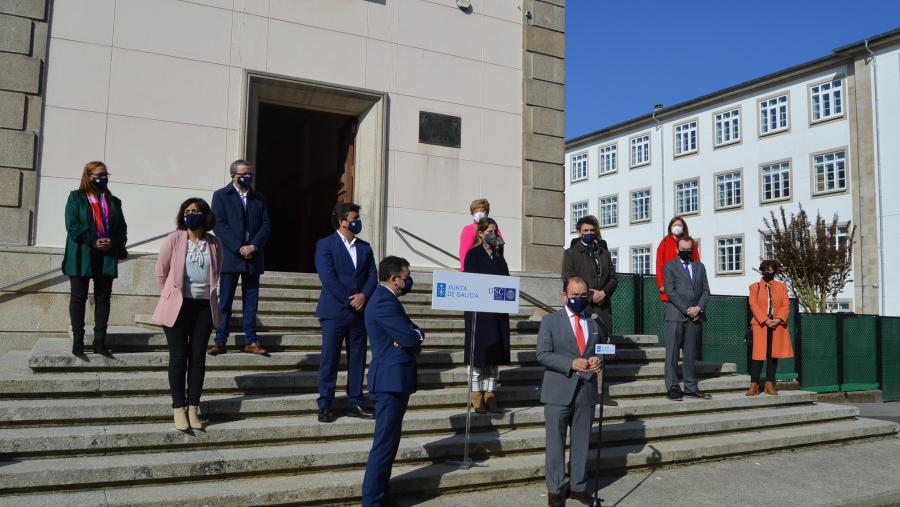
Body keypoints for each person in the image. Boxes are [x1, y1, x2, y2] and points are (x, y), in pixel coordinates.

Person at [152, 198, 223, 432]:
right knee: (178, 357)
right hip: (178, 307)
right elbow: (161, 271)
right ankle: (178, 408)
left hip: (204, 307)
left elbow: (217, 270)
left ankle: (193, 407)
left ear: (205, 215)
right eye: (187, 211)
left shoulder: (214, 243)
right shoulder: (174, 239)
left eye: (196, 211)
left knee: (198, 358)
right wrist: (170, 296)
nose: (191, 214)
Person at [536, 276, 605, 507]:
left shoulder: (594, 322)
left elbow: (601, 349)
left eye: (582, 295)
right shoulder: (550, 321)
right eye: (574, 295)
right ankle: (555, 491)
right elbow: (542, 354)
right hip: (558, 391)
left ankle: (578, 487)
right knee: (555, 443)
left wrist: (598, 360)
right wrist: (570, 363)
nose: (578, 299)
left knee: (582, 442)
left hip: (585, 391)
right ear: (564, 295)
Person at [361, 256, 424, 507]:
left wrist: (412, 335)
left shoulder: (389, 300)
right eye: (405, 278)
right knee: (384, 444)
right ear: (393, 278)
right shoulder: (383, 302)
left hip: (395, 379)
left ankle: (382, 494)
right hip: (389, 381)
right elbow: (411, 338)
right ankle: (372, 500)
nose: (407, 283)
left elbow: (414, 332)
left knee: (390, 442)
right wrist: (411, 337)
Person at [314, 202, 378, 423]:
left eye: (357, 217)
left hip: (359, 312)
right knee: (329, 358)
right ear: (342, 221)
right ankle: (325, 403)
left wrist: (364, 296)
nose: (357, 221)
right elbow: (328, 277)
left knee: (357, 358)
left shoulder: (365, 247)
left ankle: (355, 401)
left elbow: (372, 275)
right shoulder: (325, 245)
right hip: (334, 310)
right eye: (353, 218)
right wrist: (350, 299)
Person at [62, 161, 128, 357]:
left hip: (106, 254)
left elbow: (122, 229)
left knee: (103, 298)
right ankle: (78, 342)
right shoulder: (76, 197)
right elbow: (72, 224)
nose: (103, 177)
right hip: (82, 253)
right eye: (99, 174)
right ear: (88, 176)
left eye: (106, 174)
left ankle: (100, 342)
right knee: (78, 297)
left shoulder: (114, 201)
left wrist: (112, 241)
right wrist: (92, 240)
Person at [208, 160, 271, 356]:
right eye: (244, 173)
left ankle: (251, 341)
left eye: (250, 173)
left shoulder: (258, 198)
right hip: (231, 257)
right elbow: (219, 224)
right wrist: (238, 247)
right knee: (225, 301)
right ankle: (220, 340)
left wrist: (253, 245)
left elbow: (266, 225)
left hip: (253, 256)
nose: (249, 177)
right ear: (234, 176)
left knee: (251, 302)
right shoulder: (221, 196)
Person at [562, 215, 618, 407]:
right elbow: (568, 278)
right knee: (583, 347)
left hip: (602, 308)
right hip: (583, 306)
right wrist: (589, 293)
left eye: (591, 231)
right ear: (579, 232)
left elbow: (613, 277)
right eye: (585, 231)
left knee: (602, 349)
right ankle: (583, 389)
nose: (588, 234)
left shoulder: (603, 251)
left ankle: (602, 392)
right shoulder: (571, 253)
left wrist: (604, 292)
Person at [463, 217, 511, 414]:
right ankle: (476, 395)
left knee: (494, 356)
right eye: (490, 232)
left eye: (496, 232)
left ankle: (490, 393)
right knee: (479, 355)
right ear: (480, 233)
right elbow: (472, 282)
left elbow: (506, 279)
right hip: (479, 313)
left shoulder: (499, 256)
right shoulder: (473, 255)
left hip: (498, 312)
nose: (494, 235)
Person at [662, 236, 711, 401]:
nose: (686, 253)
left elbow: (705, 291)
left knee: (690, 354)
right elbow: (670, 291)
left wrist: (698, 308)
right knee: (672, 354)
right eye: (683, 250)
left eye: (689, 250)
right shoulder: (669, 266)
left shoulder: (700, 267)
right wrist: (687, 309)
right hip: (675, 317)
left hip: (695, 317)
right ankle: (673, 387)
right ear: (677, 250)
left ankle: (691, 387)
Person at [747, 260, 794, 396]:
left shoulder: (781, 286)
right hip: (761, 324)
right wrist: (766, 320)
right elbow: (753, 305)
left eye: (769, 270)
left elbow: (786, 304)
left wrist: (778, 319)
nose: (766, 273)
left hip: (777, 325)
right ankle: (754, 384)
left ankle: (769, 383)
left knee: (773, 355)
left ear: (775, 271)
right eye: (764, 270)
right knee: (758, 355)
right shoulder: (754, 287)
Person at [655, 216, 700, 302]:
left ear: (683, 227)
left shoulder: (691, 242)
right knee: (673, 311)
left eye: (679, 225)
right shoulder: (664, 242)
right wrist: (661, 284)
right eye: (674, 225)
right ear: (670, 227)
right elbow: (659, 263)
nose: (677, 227)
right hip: (671, 282)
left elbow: (696, 261)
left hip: (688, 282)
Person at [458, 198, 502, 271]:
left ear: (487, 213)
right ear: (472, 214)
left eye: (482, 211)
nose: (478, 213)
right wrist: (464, 271)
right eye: (475, 211)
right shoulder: (469, 229)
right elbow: (464, 253)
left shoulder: (495, 229)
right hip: (474, 270)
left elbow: (500, 251)